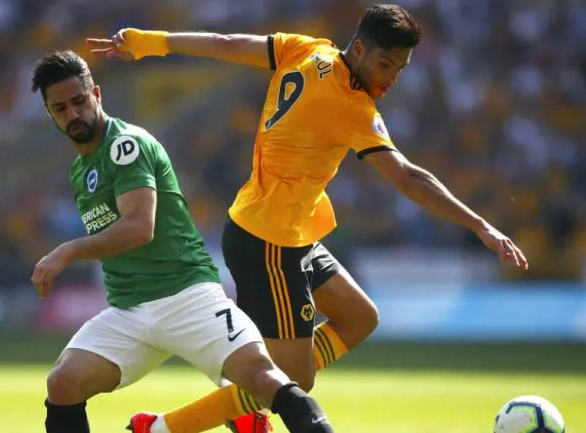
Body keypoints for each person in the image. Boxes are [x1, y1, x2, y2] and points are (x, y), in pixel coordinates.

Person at [87, 3, 529, 432]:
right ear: (359, 48)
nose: (391, 78)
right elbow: (408, 178)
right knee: (294, 380)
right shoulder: (351, 107)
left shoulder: (308, 48)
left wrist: (154, 42)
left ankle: (241, 403)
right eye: (385, 64)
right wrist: (480, 225)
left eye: (400, 68)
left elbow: (228, 43)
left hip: (285, 231)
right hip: (269, 242)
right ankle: (163, 428)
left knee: (359, 317)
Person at [29, 49, 337, 433]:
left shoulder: (125, 146)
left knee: (263, 378)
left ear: (97, 95)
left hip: (187, 298)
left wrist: (67, 250)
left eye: (79, 101)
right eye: (60, 108)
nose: (73, 114)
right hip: (130, 310)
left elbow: (139, 227)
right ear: (50, 113)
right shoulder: (81, 169)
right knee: (63, 383)